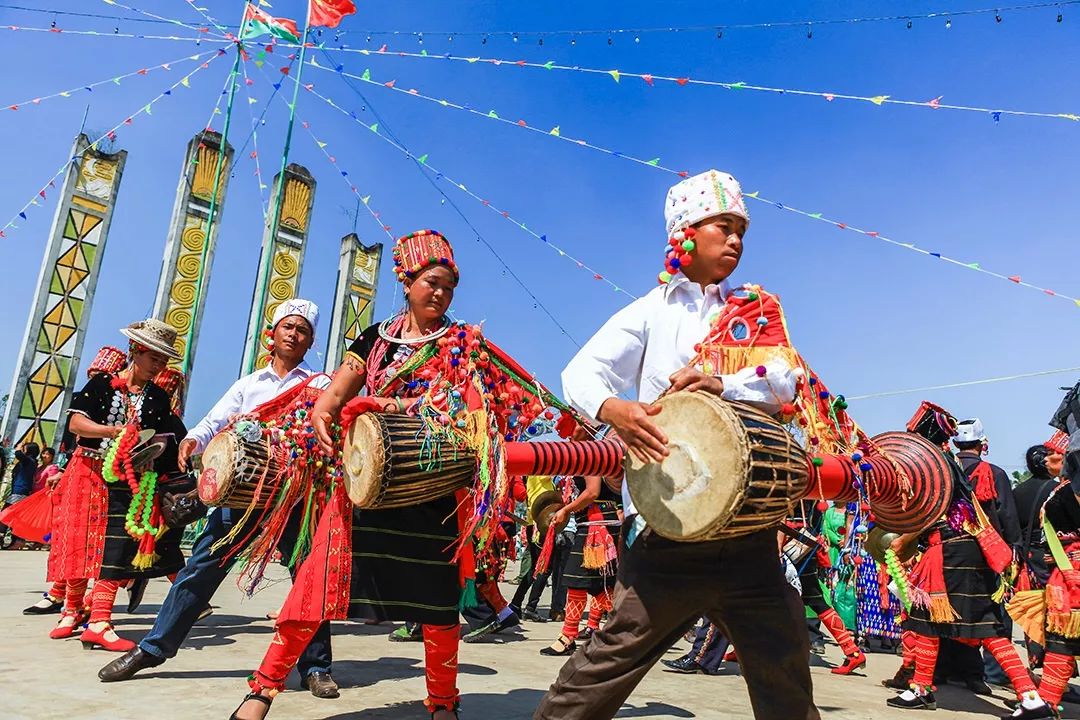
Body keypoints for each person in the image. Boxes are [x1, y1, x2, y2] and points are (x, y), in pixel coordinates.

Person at [230, 230, 556, 720]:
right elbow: (338, 391)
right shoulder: (375, 338)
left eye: (448, 285)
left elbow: (471, 410)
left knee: (439, 604)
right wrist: (325, 409)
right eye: (431, 282)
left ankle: (443, 703)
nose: (440, 293)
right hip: (364, 485)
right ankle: (261, 692)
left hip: (434, 490)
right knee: (315, 586)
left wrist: (393, 404)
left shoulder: (462, 342)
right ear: (407, 282)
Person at [538, 169, 817, 720]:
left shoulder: (755, 308)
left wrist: (724, 383)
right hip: (671, 527)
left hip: (750, 534)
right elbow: (580, 373)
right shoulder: (651, 310)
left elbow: (787, 380)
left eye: (742, 228)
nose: (736, 239)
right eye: (724, 226)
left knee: (785, 670)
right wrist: (612, 408)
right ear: (685, 234)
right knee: (608, 662)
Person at [98, 299, 339, 699]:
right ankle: (152, 649)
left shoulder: (319, 385)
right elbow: (213, 421)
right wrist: (193, 439)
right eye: (288, 327)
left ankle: (316, 667)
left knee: (308, 579)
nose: (294, 334)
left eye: (302, 330)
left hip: (295, 497)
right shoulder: (249, 384)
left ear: (311, 339)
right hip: (242, 496)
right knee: (199, 571)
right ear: (273, 334)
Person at [885, 417, 1053, 717]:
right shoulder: (951, 465)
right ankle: (922, 688)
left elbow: (932, 513)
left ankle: (1029, 698)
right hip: (971, 551)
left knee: (969, 625)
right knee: (945, 624)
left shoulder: (936, 467)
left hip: (949, 554)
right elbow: (1003, 517)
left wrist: (903, 541)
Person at [47, 319, 188, 650]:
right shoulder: (102, 386)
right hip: (88, 469)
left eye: (164, 361)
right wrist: (113, 432)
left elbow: (169, 433)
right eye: (155, 358)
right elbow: (77, 423)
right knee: (79, 537)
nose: (159, 367)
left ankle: (99, 619)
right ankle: (71, 610)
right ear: (136, 351)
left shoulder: (156, 397)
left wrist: (160, 449)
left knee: (116, 544)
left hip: (128, 478)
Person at [22, 347, 128, 616]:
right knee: (74, 535)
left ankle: (82, 605)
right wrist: (65, 471)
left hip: (118, 473)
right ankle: (66, 600)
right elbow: (80, 437)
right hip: (84, 470)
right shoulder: (98, 395)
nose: (97, 380)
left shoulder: (133, 398)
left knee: (102, 538)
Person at [539, 474, 621, 656]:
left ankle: (568, 636)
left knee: (577, 581)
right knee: (601, 586)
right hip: (593, 523)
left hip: (598, 525)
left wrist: (566, 510)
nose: (569, 442)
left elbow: (592, 492)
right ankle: (622, 632)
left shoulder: (591, 456)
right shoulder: (585, 455)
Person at [1, 441, 40, 549]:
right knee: (16, 517)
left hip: (19, 492)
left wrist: (18, 446)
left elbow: (18, 454)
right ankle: (17, 540)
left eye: (25, 448)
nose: (23, 449)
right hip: (19, 491)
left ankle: (12, 538)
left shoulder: (29, 461)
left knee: (5, 515)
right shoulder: (29, 462)